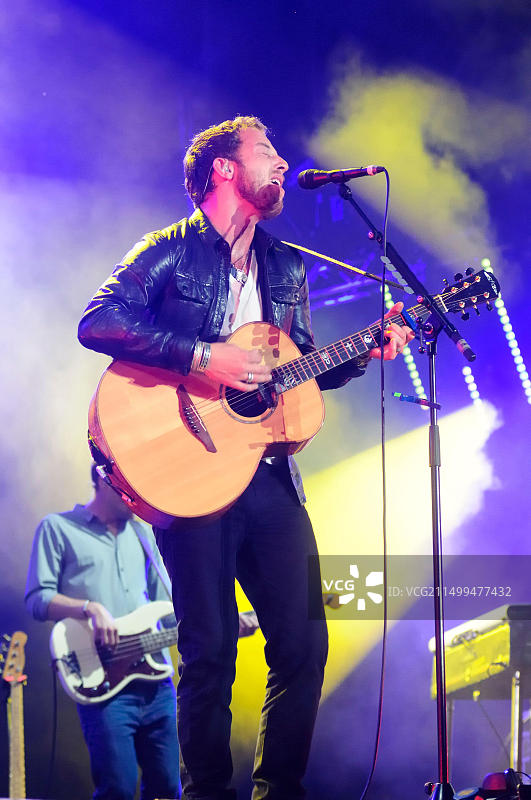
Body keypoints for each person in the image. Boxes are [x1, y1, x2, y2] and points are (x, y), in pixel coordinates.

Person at [77, 116, 414, 800]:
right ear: (224, 169)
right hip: (187, 472)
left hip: (267, 475)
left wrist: (364, 351)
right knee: (209, 653)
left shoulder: (285, 264)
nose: (283, 163)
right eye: (267, 151)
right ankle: (207, 792)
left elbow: (298, 369)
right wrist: (205, 357)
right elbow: (99, 320)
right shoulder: (169, 250)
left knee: (304, 645)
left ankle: (278, 790)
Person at [25, 463, 181, 800]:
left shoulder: (142, 534)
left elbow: (167, 609)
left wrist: (217, 628)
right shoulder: (58, 527)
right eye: (130, 486)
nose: (137, 496)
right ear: (103, 476)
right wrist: (89, 608)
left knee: (169, 789)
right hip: (104, 682)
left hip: (157, 683)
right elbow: (38, 599)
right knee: (118, 789)